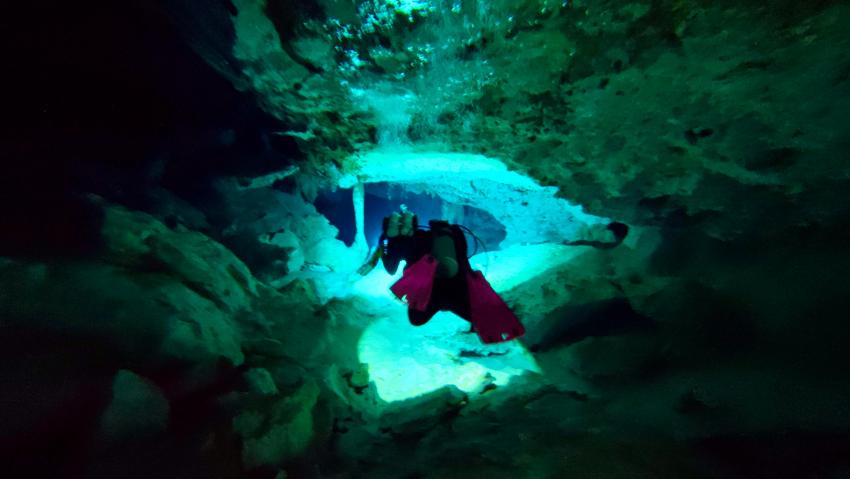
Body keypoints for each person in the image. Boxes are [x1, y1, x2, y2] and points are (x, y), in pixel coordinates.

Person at [358, 207, 525, 344]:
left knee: (416, 319)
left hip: (439, 287)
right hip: (450, 286)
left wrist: (385, 243)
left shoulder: (421, 238)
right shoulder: (451, 238)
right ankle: (391, 237)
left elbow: (391, 268)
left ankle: (391, 237)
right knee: (418, 317)